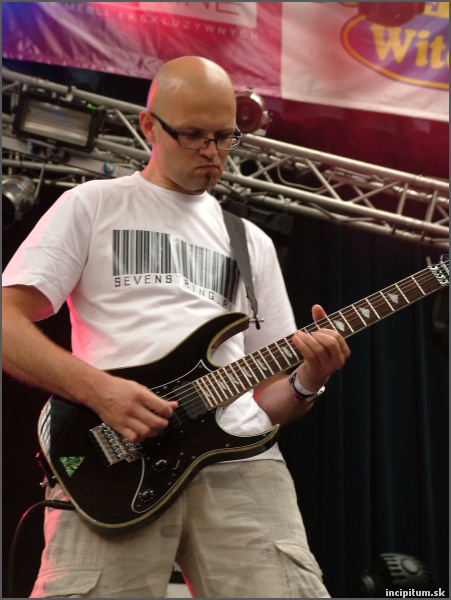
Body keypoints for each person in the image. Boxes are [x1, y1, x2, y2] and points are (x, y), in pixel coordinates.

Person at [2, 56, 351, 598]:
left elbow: (266, 395)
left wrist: (309, 381)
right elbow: (6, 322)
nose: (211, 151)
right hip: (117, 456)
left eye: (224, 136)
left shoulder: (250, 242)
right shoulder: (91, 206)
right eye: (192, 135)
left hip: (242, 464)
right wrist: (100, 391)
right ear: (149, 126)